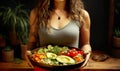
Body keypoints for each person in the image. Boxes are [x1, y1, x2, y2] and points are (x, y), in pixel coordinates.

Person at [27, 0, 92, 69]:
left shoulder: (83, 15)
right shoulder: (36, 13)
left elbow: (86, 44)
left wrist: (87, 52)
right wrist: (28, 52)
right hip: (44, 67)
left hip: (71, 68)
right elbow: (32, 42)